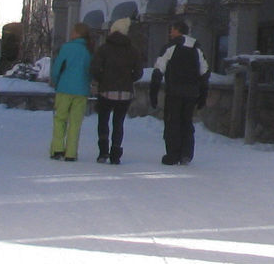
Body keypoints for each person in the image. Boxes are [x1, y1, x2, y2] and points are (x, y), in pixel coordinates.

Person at [151, 19, 208, 165]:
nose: (170, 33)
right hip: (192, 93)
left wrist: (153, 93)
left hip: (174, 91)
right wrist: (203, 95)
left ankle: (173, 154)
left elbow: (158, 70)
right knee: (187, 122)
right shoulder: (197, 48)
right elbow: (205, 72)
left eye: (172, 29)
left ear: (178, 31)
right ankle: (186, 154)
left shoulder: (170, 47)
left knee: (172, 122)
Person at [89, 17, 139, 165]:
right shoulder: (132, 50)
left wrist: (101, 79)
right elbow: (138, 72)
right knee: (119, 123)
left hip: (106, 90)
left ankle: (103, 152)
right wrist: (129, 79)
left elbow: (94, 68)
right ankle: (116, 153)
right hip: (125, 92)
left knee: (103, 121)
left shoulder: (104, 48)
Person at [49, 22, 93, 162]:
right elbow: (90, 71)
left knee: (60, 119)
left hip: (64, 88)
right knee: (75, 122)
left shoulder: (66, 48)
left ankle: (57, 149)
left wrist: (56, 81)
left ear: (76, 33)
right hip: (82, 91)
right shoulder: (88, 50)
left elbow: (57, 68)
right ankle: (71, 153)